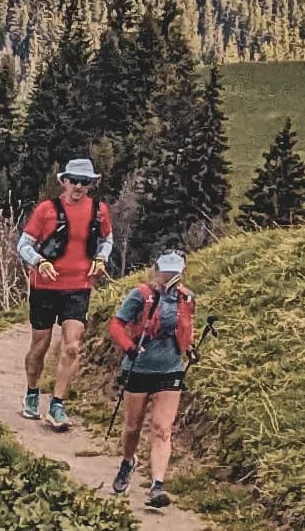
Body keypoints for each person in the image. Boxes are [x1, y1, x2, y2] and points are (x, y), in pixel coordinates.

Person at [14, 158, 113, 431]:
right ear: (64, 182)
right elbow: (23, 243)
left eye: (85, 182)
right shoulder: (46, 210)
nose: (79, 186)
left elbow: (107, 239)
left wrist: (102, 259)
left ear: (91, 185)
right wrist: (39, 262)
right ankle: (32, 392)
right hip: (44, 286)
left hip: (79, 286)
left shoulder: (99, 211)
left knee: (73, 345)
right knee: (40, 345)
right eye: (74, 181)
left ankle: (57, 403)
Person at [107, 250, 198, 509]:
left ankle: (157, 485)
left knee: (162, 428)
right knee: (133, 427)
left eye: (174, 272)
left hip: (170, 369)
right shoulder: (141, 295)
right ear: (157, 271)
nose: (169, 277)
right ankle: (128, 461)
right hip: (138, 369)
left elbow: (186, 327)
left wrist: (188, 347)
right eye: (166, 272)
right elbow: (116, 325)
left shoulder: (186, 297)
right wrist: (129, 347)